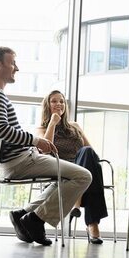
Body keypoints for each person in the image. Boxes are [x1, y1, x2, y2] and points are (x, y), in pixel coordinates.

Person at [0, 46, 92, 246]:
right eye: (12, 63)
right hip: (21, 162)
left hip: (16, 160)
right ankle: (35, 219)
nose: (17, 68)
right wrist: (36, 141)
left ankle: (23, 214)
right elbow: (2, 131)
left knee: (63, 179)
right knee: (84, 176)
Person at [36, 90, 108, 244]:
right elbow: (44, 150)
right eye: (54, 101)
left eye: (61, 101)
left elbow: (91, 151)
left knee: (87, 154)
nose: (59, 104)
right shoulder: (41, 129)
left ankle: (78, 202)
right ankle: (92, 224)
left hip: (82, 166)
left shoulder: (74, 126)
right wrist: (53, 123)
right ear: (47, 105)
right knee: (91, 171)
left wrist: (84, 159)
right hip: (61, 169)